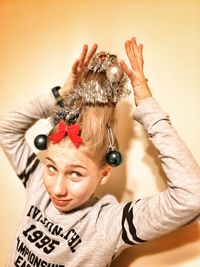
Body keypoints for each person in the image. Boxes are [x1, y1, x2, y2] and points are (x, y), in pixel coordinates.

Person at [0, 37, 200, 267]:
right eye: (51, 167)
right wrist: (59, 96)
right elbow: (6, 129)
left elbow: (192, 196)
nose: (56, 189)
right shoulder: (38, 186)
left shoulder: (107, 224)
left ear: (104, 174)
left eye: (75, 174)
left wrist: (147, 105)